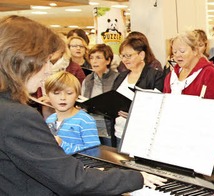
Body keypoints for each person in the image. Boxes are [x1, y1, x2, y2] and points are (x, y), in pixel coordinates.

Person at [0, 15, 165, 195]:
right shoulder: (17, 116)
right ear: (23, 60)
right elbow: (72, 180)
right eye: (46, 60)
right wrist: (136, 178)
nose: (48, 70)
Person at [163, 31, 214, 174]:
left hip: (201, 139)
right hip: (175, 138)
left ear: (195, 51)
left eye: (182, 51)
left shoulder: (209, 74)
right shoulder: (171, 76)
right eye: (174, 51)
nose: (177, 55)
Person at [111, 37, 165, 145]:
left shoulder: (155, 76)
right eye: (122, 56)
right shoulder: (120, 77)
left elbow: (158, 106)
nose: (125, 59)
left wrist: (134, 112)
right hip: (119, 133)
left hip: (142, 135)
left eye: (129, 56)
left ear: (141, 55)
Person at [44, 71, 100, 155]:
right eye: (56, 93)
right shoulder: (49, 120)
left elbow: (93, 153)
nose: (63, 98)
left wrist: (63, 145)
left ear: (77, 95)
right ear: (47, 96)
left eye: (69, 93)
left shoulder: (85, 121)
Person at [81, 44, 118, 146]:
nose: (94, 61)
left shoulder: (117, 78)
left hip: (110, 126)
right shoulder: (88, 79)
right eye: (91, 58)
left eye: (98, 57)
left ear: (108, 60)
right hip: (91, 126)